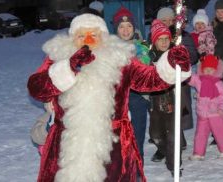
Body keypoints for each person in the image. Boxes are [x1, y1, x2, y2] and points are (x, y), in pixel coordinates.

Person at [27, 13, 191, 182]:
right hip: (67, 142)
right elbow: (36, 88)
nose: (88, 40)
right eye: (81, 35)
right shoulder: (58, 57)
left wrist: (172, 65)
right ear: (72, 37)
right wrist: (69, 67)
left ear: (103, 37)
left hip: (112, 143)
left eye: (94, 35)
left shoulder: (120, 59)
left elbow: (150, 79)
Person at [112, 6, 151, 160]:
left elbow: (145, 71)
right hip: (117, 100)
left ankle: (136, 173)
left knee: (136, 137)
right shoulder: (110, 49)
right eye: (121, 27)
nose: (126, 30)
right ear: (116, 29)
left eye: (129, 26)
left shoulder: (142, 48)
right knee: (117, 141)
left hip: (137, 98)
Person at [148, 19, 184, 177]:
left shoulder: (174, 55)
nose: (163, 42)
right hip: (155, 103)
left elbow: (184, 74)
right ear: (154, 41)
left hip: (172, 101)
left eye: (166, 39)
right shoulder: (149, 58)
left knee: (172, 137)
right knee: (156, 135)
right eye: (160, 39)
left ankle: (175, 166)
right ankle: (167, 153)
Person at [188, 54, 223, 160]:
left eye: (211, 69)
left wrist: (222, 108)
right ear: (202, 69)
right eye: (206, 69)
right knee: (200, 134)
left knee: (219, 132)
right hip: (202, 113)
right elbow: (189, 78)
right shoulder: (199, 80)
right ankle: (198, 153)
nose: (208, 71)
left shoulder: (218, 83)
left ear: (216, 70)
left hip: (216, 112)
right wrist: (185, 69)